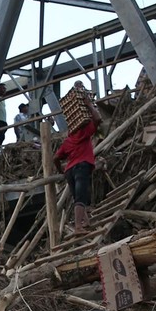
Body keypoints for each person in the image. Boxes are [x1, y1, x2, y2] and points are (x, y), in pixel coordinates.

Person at [53, 89, 102, 234]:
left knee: (79, 197)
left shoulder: (68, 140)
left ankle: (85, 222)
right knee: (81, 197)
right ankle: (78, 227)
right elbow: (98, 119)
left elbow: (56, 158)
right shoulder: (84, 132)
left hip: (69, 171)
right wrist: (88, 104)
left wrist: (61, 170)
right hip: (82, 167)